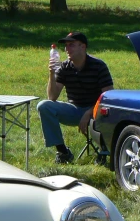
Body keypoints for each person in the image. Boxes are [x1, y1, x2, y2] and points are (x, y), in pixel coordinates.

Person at [37, 31, 114, 163]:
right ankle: (63, 152)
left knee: (105, 113)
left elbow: (108, 97)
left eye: (71, 45)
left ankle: (103, 152)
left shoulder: (98, 66)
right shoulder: (64, 67)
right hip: (74, 110)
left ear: (83, 47)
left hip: (96, 110)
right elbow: (52, 97)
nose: (67, 49)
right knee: (44, 106)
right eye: (66, 45)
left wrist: (89, 112)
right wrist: (51, 73)